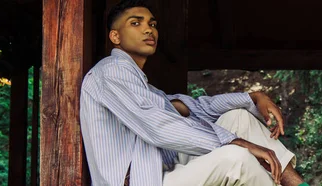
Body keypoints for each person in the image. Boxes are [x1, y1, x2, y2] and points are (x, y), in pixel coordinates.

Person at [79, 0, 308, 185]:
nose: (149, 29)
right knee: (236, 159)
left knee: (238, 118)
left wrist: (253, 97)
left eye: (153, 23)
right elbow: (160, 127)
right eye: (136, 23)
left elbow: (197, 108)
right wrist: (240, 143)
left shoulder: (145, 90)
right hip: (143, 180)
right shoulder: (111, 73)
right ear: (115, 37)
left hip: (166, 172)